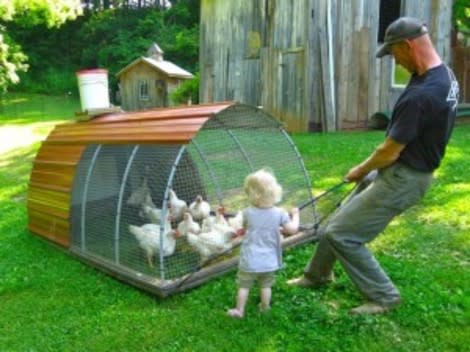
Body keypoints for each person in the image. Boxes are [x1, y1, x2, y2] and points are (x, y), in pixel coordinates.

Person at [287, 17, 459, 315]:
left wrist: (361, 169)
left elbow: (390, 151)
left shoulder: (421, 95)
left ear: (407, 46)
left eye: (394, 53)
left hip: (404, 177)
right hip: (405, 169)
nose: (396, 61)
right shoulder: (444, 76)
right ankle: (317, 275)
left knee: (342, 234)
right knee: (339, 220)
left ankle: (384, 297)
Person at [227, 168, 299, 318]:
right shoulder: (280, 213)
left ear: (254, 196)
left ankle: (240, 310)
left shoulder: (247, 212)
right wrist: (296, 215)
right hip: (269, 260)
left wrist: (240, 229)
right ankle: (265, 307)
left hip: (250, 259)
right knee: (266, 285)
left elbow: (239, 226)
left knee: (244, 285)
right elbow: (292, 230)